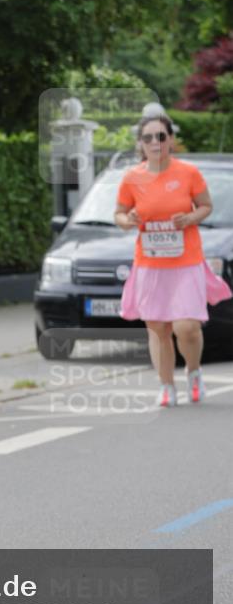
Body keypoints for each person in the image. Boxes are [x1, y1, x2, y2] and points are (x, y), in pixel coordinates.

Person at [114, 114, 231, 408]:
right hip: (150, 265)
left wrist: (189, 218)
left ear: (170, 140)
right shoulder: (132, 178)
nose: (155, 142)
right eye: (148, 138)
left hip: (186, 261)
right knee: (157, 327)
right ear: (140, 144)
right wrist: (127, 220)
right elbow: (119, 214)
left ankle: (193, 373)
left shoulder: (188, 173)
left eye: (160, 136)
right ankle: (166, 385)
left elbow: (205, 206)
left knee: (186, 327)